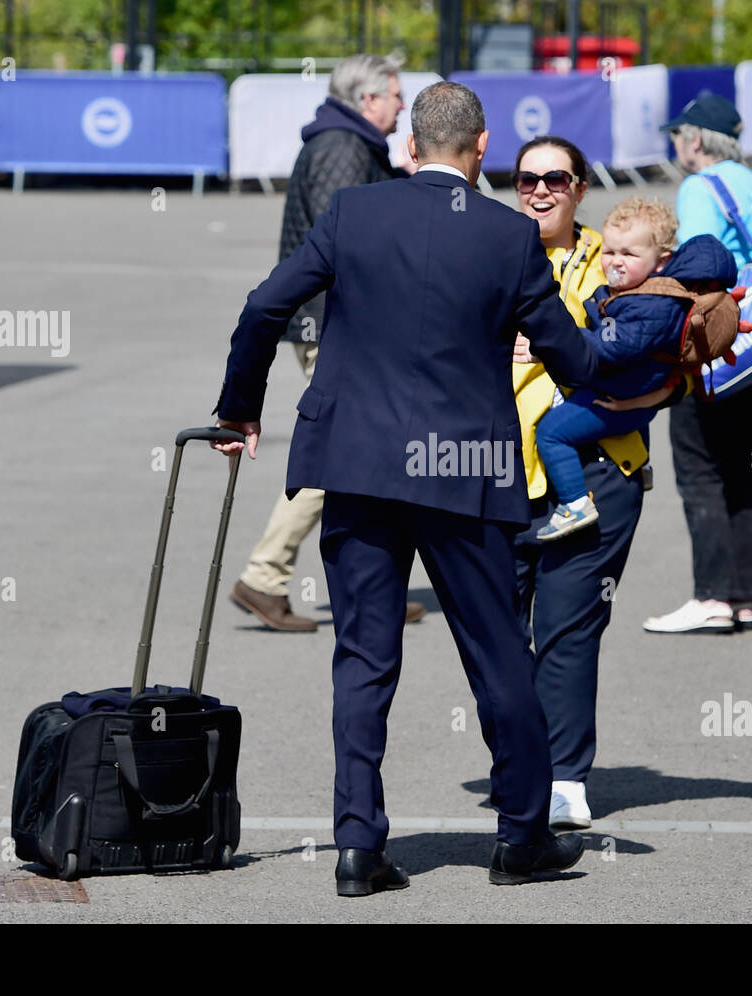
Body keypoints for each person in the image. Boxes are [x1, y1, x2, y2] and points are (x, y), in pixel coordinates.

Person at [211, 83, 597, 893]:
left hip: (362, 465)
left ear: (411, 148)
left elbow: (263, 308)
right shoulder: (508, 235)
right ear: (481, 148)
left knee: (363, 657)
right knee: (498, 654)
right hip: (464, 469)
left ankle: (357, 846)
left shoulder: (355, 214)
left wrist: (238, 411)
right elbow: (569, 356)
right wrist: (648, 364)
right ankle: (521, 839)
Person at [225, 53, 427, 632]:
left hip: (332, 320)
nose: (401, 106)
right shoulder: (342, 147)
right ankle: (265, 576)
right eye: (395, 95)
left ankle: (374, 584)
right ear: (367, 100)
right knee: (340, 453)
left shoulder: (349, 143)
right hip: (333, 322)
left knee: (366, 449)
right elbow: (352, 238)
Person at [507, 136, 649, 830]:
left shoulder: (613, 258)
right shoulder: (493, 252)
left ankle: (564, 779)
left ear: (580, 186)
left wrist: (560, 341)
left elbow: (661, 343)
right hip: (491, 473)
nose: (539, 190)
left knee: (567, 629)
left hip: (593, 473)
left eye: (554, 178)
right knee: (499, 636)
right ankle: (521, 759)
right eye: (525, 178)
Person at [643, 94, 752, 634]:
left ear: (696, 139)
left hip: (714, 345)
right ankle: (745, 594)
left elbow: (698, 267)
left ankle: (712, 595)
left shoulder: (698, 188)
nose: (674, 145)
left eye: (678, 135)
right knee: (741, 461)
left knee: (698, 463)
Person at [533, 197, 737, 541]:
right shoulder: (638, 293)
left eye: (629, 254)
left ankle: (575, 502)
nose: (615, 261)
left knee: (553, 433)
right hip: (623, 394)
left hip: (620, 398)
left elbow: (616, 346)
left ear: (661, 262)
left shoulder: (655, 303)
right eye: (610, 251)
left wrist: (564, 336)